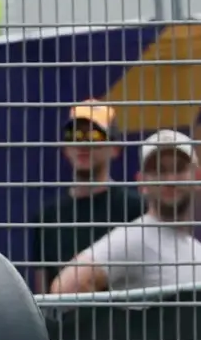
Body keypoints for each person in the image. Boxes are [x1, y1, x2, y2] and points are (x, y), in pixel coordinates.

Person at [50, 130, 201, 295]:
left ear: (198, 177)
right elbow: (65, 287)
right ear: (141, 182)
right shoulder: (134, 237)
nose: (170, 179)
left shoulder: (199, 251)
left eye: (179, 169)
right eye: (158, 170)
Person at [27, 100, 143, 292]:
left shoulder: (135, 209)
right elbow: (44, 294)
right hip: (66, 321)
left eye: (93, 135)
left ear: (115, 148)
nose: (82, 143)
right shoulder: (47, 217)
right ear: (65, 147)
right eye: (75, 135)